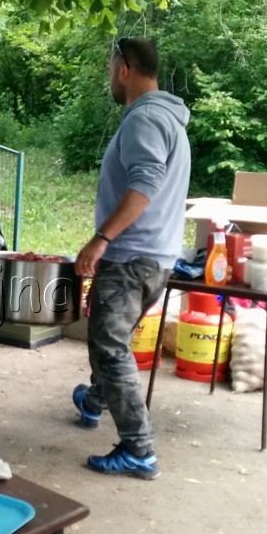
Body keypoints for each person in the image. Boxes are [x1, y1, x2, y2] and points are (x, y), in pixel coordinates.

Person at [72, 37, 191, 479]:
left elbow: (145, 183)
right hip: (156, 256)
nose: (109, 77)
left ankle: (139, 450)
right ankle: (93, 400)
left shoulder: (145, 118)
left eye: (110, 68)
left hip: (131, 256)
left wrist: (102, 238)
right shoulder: (167, 118)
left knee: (108, 347)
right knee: (113, 341)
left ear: (124, 67)